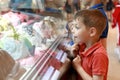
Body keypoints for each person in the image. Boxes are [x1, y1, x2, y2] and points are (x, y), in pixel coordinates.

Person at [71, 9, 109, 80]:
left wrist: (78, 68)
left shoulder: (99, 55)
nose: (73, 30)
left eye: (77, 27)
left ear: (92, 32)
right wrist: (74, 54)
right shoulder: (82, 46)